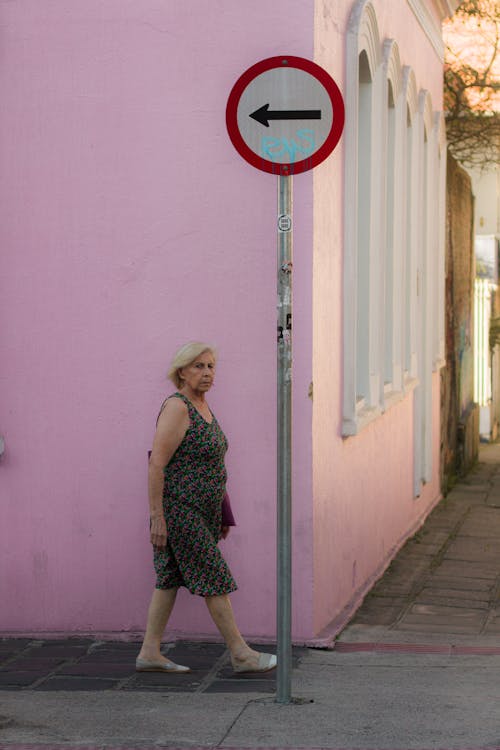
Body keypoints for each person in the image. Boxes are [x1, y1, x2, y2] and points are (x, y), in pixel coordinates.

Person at [136, 342, 277, 674]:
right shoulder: (177, 407)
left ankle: (149, 652)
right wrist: (157, 517)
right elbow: (156, 464)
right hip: (180, 511)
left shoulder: (203, 406)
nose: (207, 373)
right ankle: (240, 653)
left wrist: (224, 512)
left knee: (169, 578)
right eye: (198, 366)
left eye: (211, 366)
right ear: (181, 371)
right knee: (214, 574)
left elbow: (213, 464)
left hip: (203, 511)